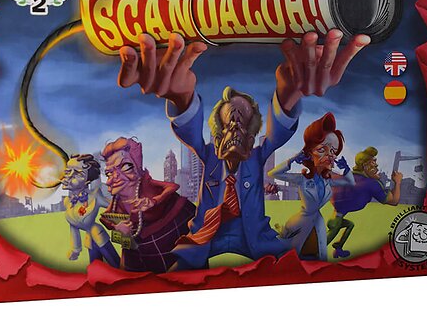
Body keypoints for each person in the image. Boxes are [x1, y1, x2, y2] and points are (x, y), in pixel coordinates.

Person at [116, 29, 370, 269]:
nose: (236, 129)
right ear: (217, 135)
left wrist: (289, 95)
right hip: (205, 239)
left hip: (256, 240)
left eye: (243, 123)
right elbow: (190, 134)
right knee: (175, 273)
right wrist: (181, 100)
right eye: (230, 122)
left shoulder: (256, 158)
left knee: (296, 268)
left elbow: (277, 135)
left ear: (251, 137)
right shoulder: (209, 157)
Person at [268, 113, 355, 261]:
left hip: (317, 223)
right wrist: (293, 159)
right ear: (309, 153)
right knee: (290, 258)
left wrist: (346, 169)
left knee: (319, 256)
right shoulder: (303, 179)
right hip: (300, 223)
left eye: (333, 151)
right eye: (322, 149)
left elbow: (350, 182)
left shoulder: (329, 180)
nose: (329, 155)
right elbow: (273, 173)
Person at [100, 137, 195, 272]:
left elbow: (173, 186)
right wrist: (117, 227)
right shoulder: (117, 201)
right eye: (109, 172)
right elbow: (105, 218)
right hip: (139, 246)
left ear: (137, 168)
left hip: (171, 230)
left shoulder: (147, 184)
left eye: (125, 167)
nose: (115, 177)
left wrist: (154, 201)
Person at [328, 146, 403, 257]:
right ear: (365, 166)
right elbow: (394, 201)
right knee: (321, 244)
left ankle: (338, 248)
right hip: (336, 222)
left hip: (335, 217)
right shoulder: (371, 184)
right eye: (373, 162)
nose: (376, 165)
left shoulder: (346, 177)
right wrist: (397, 182)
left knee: (350, 225)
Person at [61, 154, 120, 267]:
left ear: (87, 181)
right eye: (68, 171)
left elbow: (114, 207)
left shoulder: (94, 196)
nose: (70, 176)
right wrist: (75, 249)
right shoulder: (68, 202)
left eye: (78, 174)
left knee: (116, 265)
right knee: (96, 267)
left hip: (100, 236)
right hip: (89, 240)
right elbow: (73, 226)